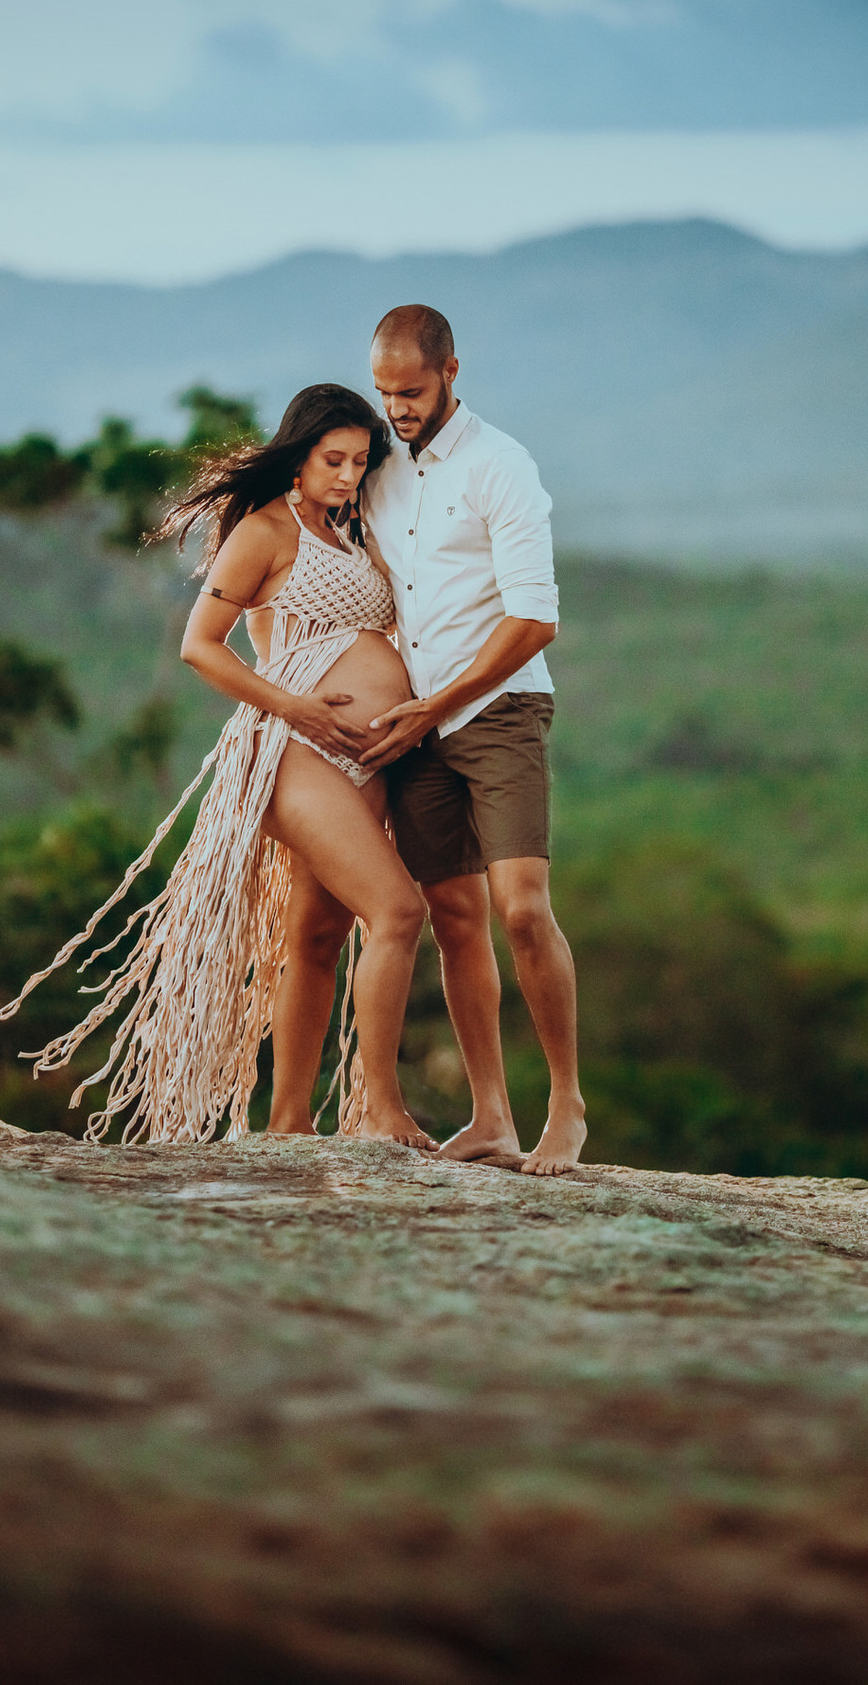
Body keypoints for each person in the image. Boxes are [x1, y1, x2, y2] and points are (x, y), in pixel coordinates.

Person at [0, 384, 436, 1151]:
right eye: (333, 459)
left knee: (318, 939)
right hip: (294, 751)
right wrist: (298, 710)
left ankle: (288, 1124)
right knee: (398, 911)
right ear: (298, 453)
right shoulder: (264, 530)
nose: (349, 475)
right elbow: (201, 645)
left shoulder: (352, 531)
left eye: (360, 461)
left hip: (364, 764)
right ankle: (380, 1109)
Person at [358, 304, 587, 1176]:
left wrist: (439, 704)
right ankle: (492, 1115)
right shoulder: (378, 470)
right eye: (384, 393)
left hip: (497, 713)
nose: (397, 409)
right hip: (413, 725)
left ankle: (565, 1107)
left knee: (522, 908)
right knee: (454, 918)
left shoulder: (503, 466)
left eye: (410, 391)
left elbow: (536, 620)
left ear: (453, 370)